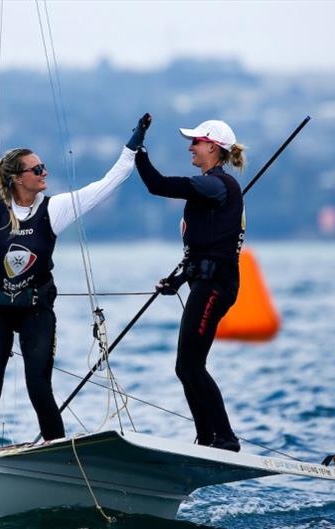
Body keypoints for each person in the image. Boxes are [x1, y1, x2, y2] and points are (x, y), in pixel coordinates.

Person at [0, 116, 150, 451]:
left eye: (43, 167)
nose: (44, 172)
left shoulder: (55, 209)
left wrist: (132, 146)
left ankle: (56, 447)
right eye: (37, 169)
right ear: (18, 179)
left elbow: (106, 184)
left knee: (38, 384)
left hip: (35, 311)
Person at [134, 117, 246, 452]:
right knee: (186, 366)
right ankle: (207, 437)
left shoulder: (217, 184)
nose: (190, 147)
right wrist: (179, 280)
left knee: (190, 364)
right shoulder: (211, 188)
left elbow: (157, 185)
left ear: (213, 146)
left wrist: (137, 150)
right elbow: (206, 246)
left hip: (216, 285)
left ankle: (224, 438)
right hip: (204, 281)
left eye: (195, 142)